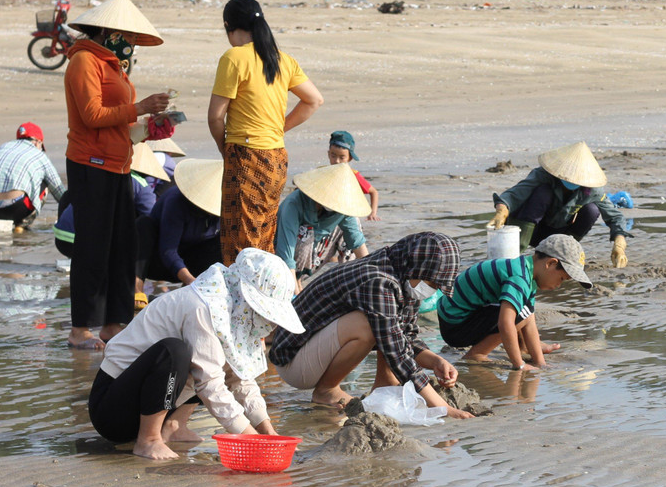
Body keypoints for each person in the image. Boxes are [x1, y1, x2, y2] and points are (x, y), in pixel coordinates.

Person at [88, 248, 303, 461]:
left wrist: (267, 432)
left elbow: (239, 379)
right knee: (176, 352)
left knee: (213, 357)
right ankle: (149, 439)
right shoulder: (202, 306)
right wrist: (251, 440)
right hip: (113, 411)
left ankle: (173, 426)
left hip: (148, 403)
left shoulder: (235, 316)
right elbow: (209, 383)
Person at [64, 0, 171, 351]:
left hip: (118, 165)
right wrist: (138, 106)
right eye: (126, 36)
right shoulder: (84, 61)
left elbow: (121, 127)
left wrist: (149, 127)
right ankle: (80, 329)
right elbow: (92, 116)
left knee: (123, 247)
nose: (129, 44)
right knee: (92, 247)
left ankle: (113, 324)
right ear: (109, 31)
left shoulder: (115, 66)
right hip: (89, 165)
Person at [268, 232, 473, 415]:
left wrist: (436, 361)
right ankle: (326, 391)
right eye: (433, 284)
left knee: (389, 326)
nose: (434, 290)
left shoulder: (404, 275)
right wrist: (443, 409)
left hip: (317, 350)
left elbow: (406, 336)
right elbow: (395, 349)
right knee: (369, 325)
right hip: (293, 361)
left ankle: (384, 386)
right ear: (417, 267)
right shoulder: (380, 281)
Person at [208, 0, 323, 264]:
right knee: (264, 237)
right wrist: (277, 129)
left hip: (245, 154)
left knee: (240, 244)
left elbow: (215, 117)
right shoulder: (282, 59)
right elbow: (314, 100)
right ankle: (263, 296)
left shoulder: (234, 57)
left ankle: (244, 303)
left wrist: (223, 147)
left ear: (229, 26)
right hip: (275, 159)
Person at [438, 234, 591, 371]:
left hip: (460, 318)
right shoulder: (519, 278)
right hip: (455, 327)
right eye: (562, 278)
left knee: (523, 311)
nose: (559, 285)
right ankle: (477, 354)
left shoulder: (526, 270)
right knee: (516, 313)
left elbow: (529, 319)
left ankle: (524, 348)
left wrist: (540, 363)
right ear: (550, 263)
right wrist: (519, 364)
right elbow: (506, 323)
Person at [488, 142, 630, 266]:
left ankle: (562, 253)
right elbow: (517, 192)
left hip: (558, 232)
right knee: (543, 193)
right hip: (529, 227)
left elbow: (614, 217)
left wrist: (619, 244)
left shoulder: (592, 190)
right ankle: (514, 256)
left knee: (591, 210)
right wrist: (502, 209)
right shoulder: (543, 175)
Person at [54, 141, 170, 270]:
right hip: (85, 242)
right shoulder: (141, 185)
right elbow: (151, 219)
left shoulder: (102, 173)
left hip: (62, 240)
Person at [134, 157, 223, 287]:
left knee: (221, 243)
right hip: (157, 260)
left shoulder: (222, 208)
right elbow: (168, 250)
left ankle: (192, 293)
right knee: (144, 223)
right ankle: (136, 286)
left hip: (191, 260)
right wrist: (190, 280)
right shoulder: (176, 202)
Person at [274, 164, 370, 282]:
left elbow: (357, 242)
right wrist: (296, 296)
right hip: (285, 266)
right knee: (306, 233)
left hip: (315, 256)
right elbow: (286, 257)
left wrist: (370, 273)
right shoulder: (293, 205)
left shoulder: (341, 208)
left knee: (353, 221)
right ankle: (297, 282)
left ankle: (349, 281)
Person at [0, 121, 65, 229]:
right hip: (15, 209)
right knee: (44, 181)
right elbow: (60, 193)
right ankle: (22, 224)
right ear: (38, 142)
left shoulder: (3, 146)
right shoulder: (40, 156)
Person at [327, 130, 379, 220]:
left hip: (349, 215)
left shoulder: (353, 175)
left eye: (342, 157)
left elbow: (373, 192)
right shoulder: (323, 173)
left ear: (350, 158)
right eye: (333, 156)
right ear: (328, 154)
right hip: (328, 215)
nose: (337, 161)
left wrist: (373, 212)